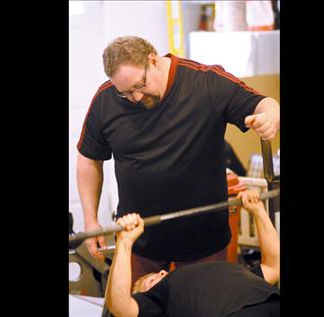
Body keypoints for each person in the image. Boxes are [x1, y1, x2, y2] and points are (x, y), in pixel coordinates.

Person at [76, 35, 280, 284]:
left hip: (204, 243)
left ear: (153, 60)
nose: (136, 98)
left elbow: (264, 104)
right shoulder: (106, 100)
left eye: (139, 86)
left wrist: (270, 117)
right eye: (125, 93)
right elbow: (89, 158)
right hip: (139, 242)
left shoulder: (205, 82)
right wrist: (91, 219)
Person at [105, 189, 280, 317]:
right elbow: (120, 307)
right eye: (150, 281)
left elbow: (274, 266)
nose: (161, 273)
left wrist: (259, 211)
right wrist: (125, 243)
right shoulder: (158, 300)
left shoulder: (231, 274)